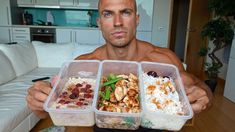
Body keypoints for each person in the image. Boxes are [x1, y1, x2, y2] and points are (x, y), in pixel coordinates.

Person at [27, 0, 213, 131]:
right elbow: (47, 112)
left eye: (125, 12)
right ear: (99, 22)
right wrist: (38, 103)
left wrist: (204, 97)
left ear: (137, 19)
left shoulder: (163, 59)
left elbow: (201, 89)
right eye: (108, 14)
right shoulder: (84, 65)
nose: (117, 22)